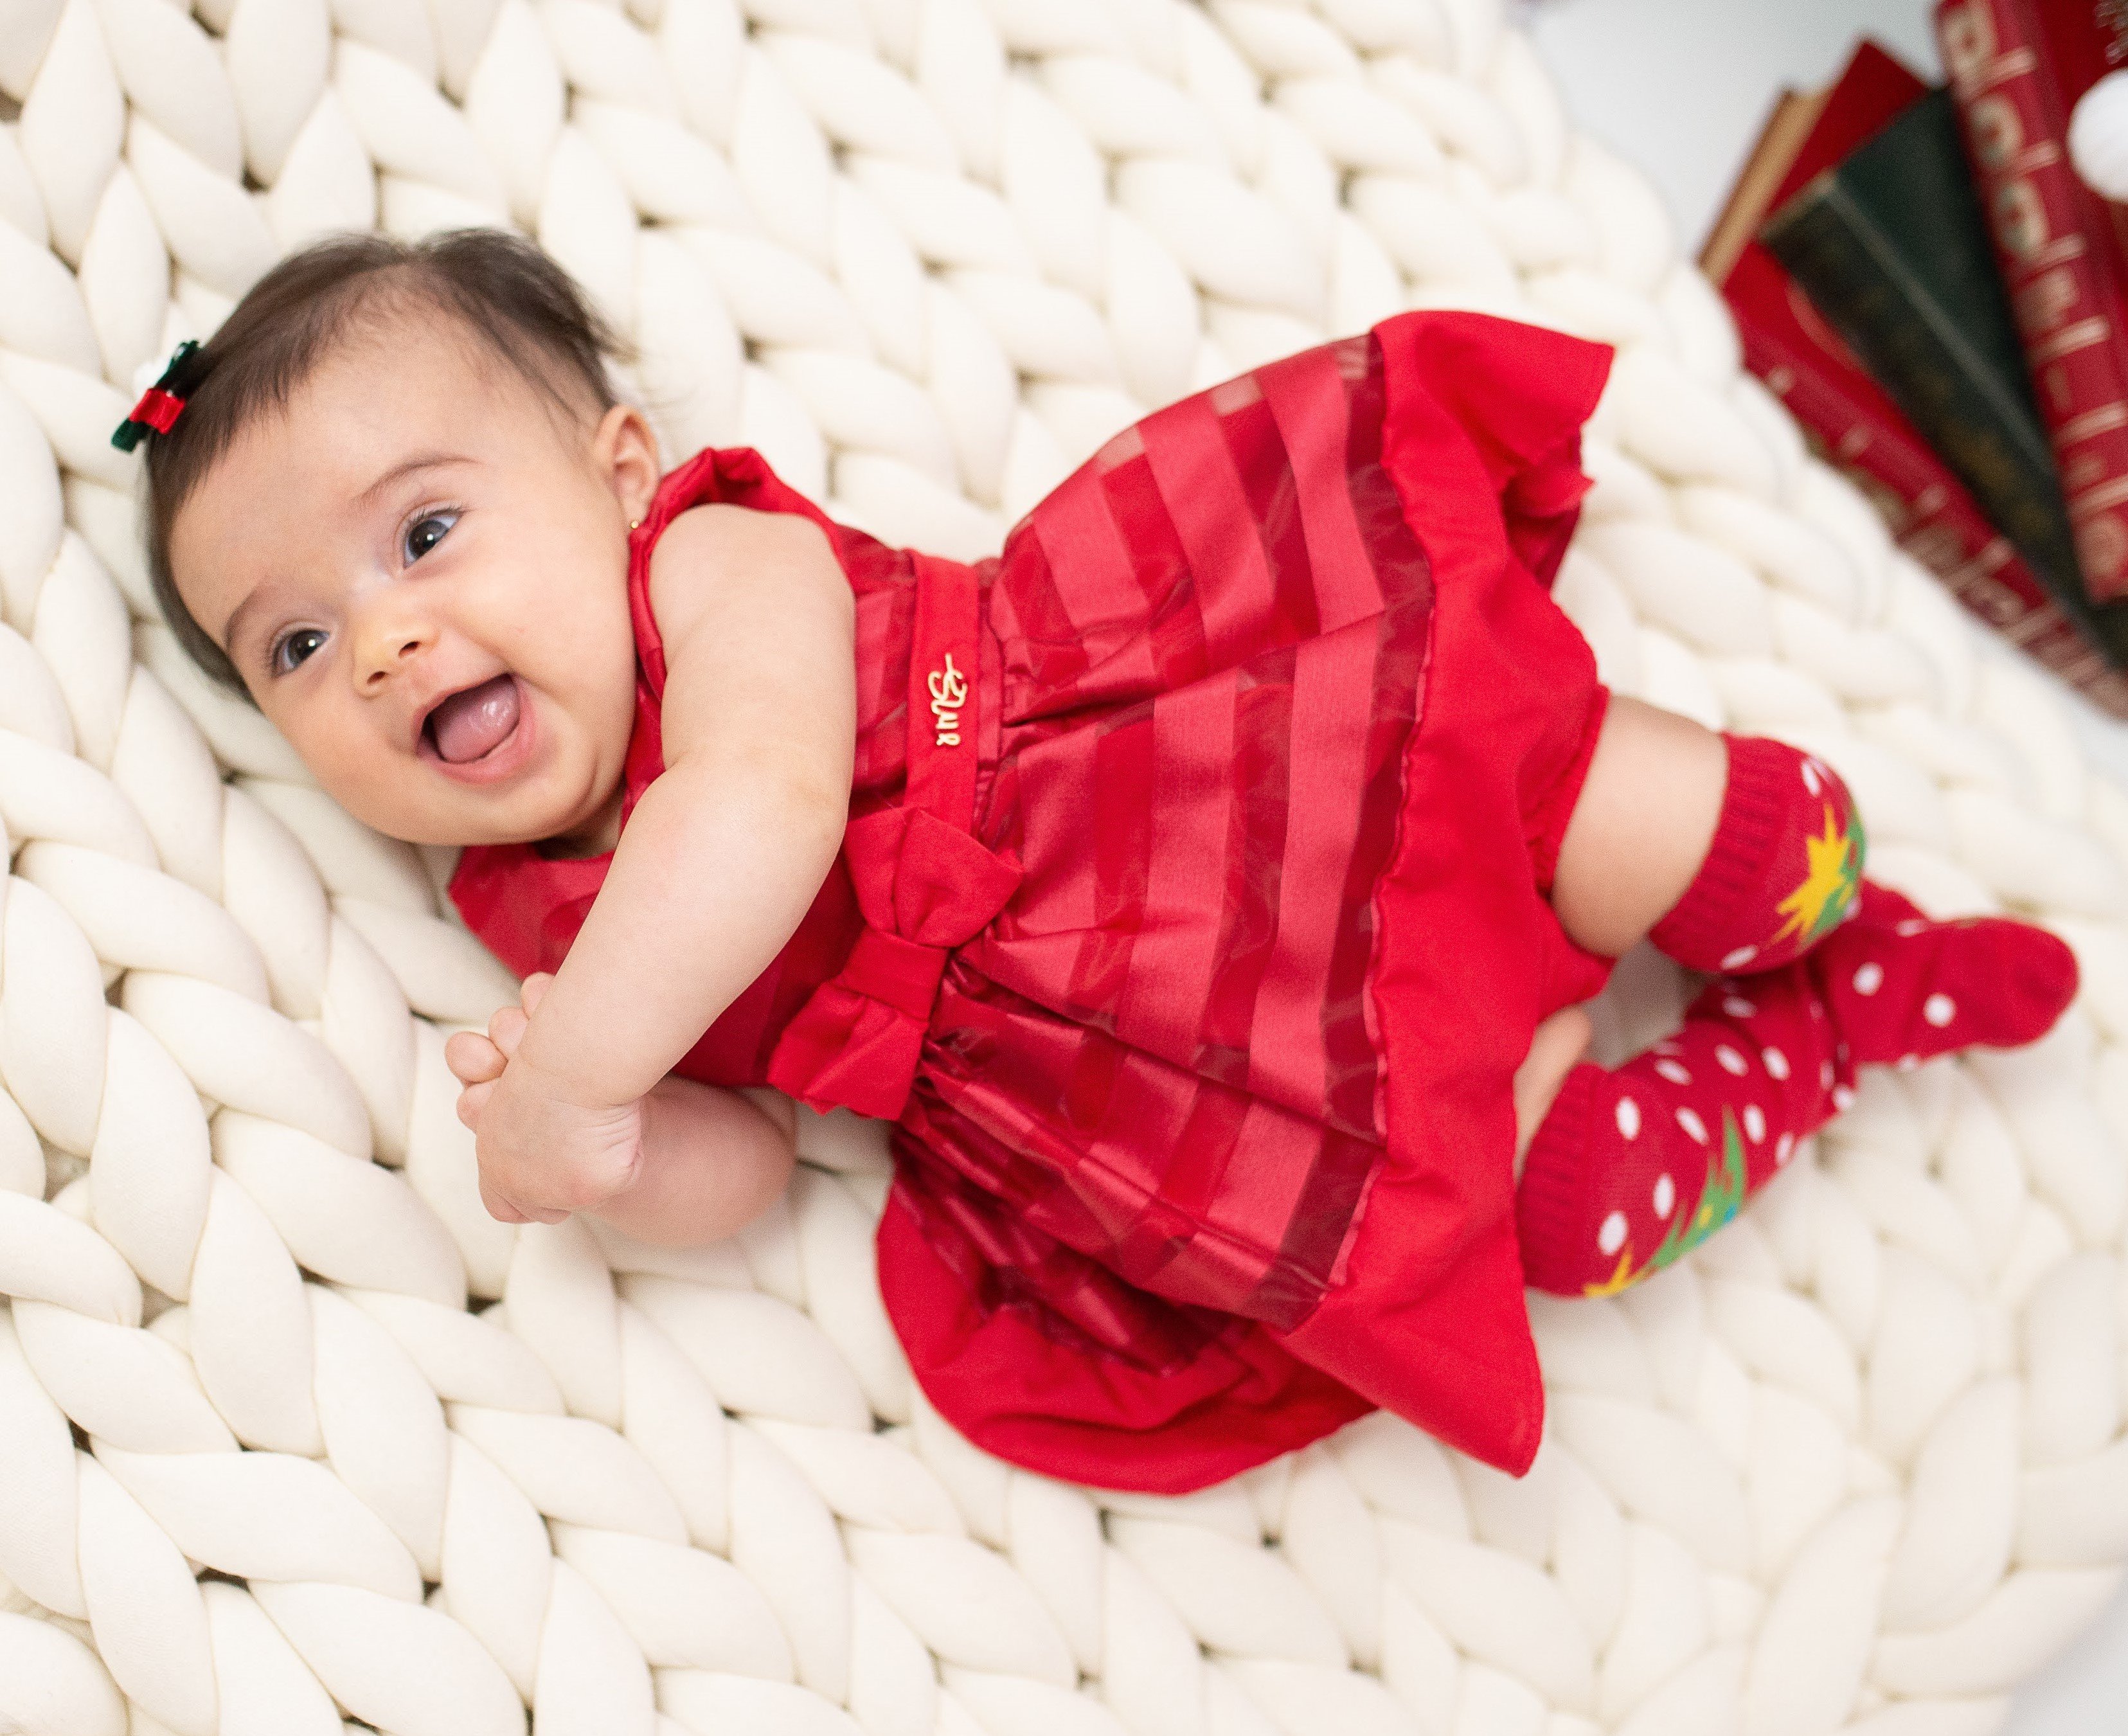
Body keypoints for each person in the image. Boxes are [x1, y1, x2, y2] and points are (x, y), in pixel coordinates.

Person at [136, 230, 2077, 1492]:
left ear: (622, 470)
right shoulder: (524, 918)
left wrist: (581, 1063)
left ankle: (1833, 914)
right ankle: (1827, 1041)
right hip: (1170, 1078)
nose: (381, 640)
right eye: (292, 647)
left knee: (1683, 820)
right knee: (1555, 1213)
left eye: (424, 536)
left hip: (1239, 767)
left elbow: (769, 804)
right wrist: (613, 1156)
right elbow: (751, 1164)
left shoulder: (713, 574)